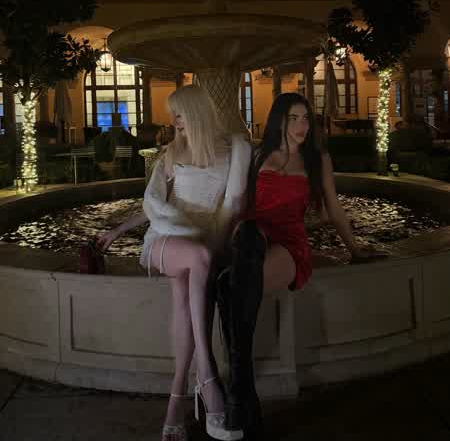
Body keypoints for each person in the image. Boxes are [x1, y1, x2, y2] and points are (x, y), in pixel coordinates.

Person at [217, 93, 384, 440]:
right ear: (278, 120)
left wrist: (353, 247)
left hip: (289, 241)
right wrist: (217, 241)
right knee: (247, 234)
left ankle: (238, 387)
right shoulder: (258, 155)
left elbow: (334, 207)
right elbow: (238, 203)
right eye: (293, 118)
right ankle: (243, 393)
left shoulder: (317, 158)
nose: (302, 125)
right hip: (253, 234)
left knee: (230, 285)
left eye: (306, 118)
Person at [97, 85, 251, 441]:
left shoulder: (233, 152)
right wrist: (118, 230)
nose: (174, 121)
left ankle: (175, 405)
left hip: (202, 244)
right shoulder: (171, 153)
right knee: (199, 258)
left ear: (197, 112)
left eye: (179, 113)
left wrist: (222, 242)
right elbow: (153, 205)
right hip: (165, 240)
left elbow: (234, 207)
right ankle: (207, 375)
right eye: (173, 114)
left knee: (184, 299)